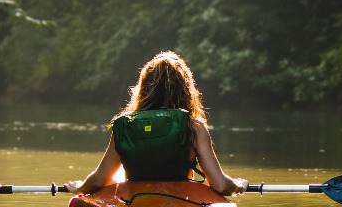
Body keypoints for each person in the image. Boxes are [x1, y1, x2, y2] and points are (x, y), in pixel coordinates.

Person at [65, 51, 248, 196]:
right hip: (180, 201)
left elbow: (99, 180)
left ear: (143, 88)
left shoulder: (126, 126)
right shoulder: (194, 127)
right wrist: (238, 185)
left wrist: (81, 187)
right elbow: (220, 185)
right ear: (186, 90)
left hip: (134, 202)